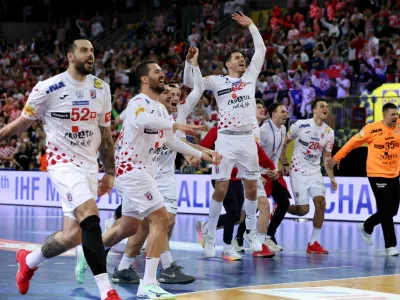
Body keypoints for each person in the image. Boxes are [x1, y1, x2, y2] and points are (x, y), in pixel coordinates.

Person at [79, 60, 218, 299]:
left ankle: (90, 250)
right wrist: (174, 124)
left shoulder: (162, 110)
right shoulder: (137, 103)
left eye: (162, 71)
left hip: (145, 174)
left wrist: (202, 154)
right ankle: (150, 283)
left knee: (129, 226)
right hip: (132, 172)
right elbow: (143, 122)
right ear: (145, 79)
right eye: (157, 72)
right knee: (161, 219)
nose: (162, 74)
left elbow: (170, 141)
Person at [0, 39, 122, 300]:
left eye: (92, 50)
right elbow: (23, 122)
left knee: (72, 236)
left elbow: (105, 133)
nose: (90, 55)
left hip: (89, 166)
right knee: (91, 217)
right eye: (84, 50)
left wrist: (109, 171)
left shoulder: (102, 88)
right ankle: (106, 291)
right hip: (62, 164)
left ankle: (29, 261)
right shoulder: (48, 87)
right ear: (70, 56)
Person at [184, 11, 267, 257]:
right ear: (228, 64)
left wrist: (251, 25)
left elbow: (260, 50)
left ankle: (251, 231)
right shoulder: (217, 81)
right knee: (220, 188)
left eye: (243, 57)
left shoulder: (250, 77)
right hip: (226, 139)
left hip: (246, 139)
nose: (243, 60)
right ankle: (210, 232)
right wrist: (192, 63)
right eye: (238, 58)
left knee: (251, 188)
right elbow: (193, 84)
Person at [328, 102, 400, 256]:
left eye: (397, 114)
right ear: (385, 115)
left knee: (393, 209)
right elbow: (352, 143)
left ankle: (367, 225)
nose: (396, 117)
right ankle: (390, 246)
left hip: (394, 173)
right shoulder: (371, 129)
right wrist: (337, 157)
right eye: (393, 114)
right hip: (376, 173)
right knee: (386, 207)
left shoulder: (399, 126)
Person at [197, 124, 278, 260]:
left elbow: (257, 150)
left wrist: (271, 167)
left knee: (238, 217)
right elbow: (204, 146)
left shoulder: (244, 132)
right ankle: (227, 248)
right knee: (233, 209)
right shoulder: (217, 130)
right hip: (221, 177)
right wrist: (198, 157)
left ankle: (206, 226)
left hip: (237, 179)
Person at [282, 99, 337, 254]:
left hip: (315, 173)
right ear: (314, 110)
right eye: (322, 106)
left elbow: (327, 158)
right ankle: (281, 207)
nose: (325, 108)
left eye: (327, 106)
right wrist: (283, 162)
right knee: (303, 211)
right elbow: (284, 143)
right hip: (298, 172)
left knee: (321, 203)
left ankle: (313, 242)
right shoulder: (300, 125)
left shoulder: (329, 133)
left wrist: (331, 178)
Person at [259, 103, 291, 252]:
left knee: (283, 201)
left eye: (286, 111)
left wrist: (280, 166)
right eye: (282, 111)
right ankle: (238, 238)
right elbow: (254, 154)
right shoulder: (263, 131)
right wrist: (262, 172)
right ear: (274, 114)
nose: (286, 114)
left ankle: (269, 236)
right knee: (253, 210)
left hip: (273, 172)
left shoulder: (283, 129)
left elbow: (276, 152)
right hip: (260, 172)